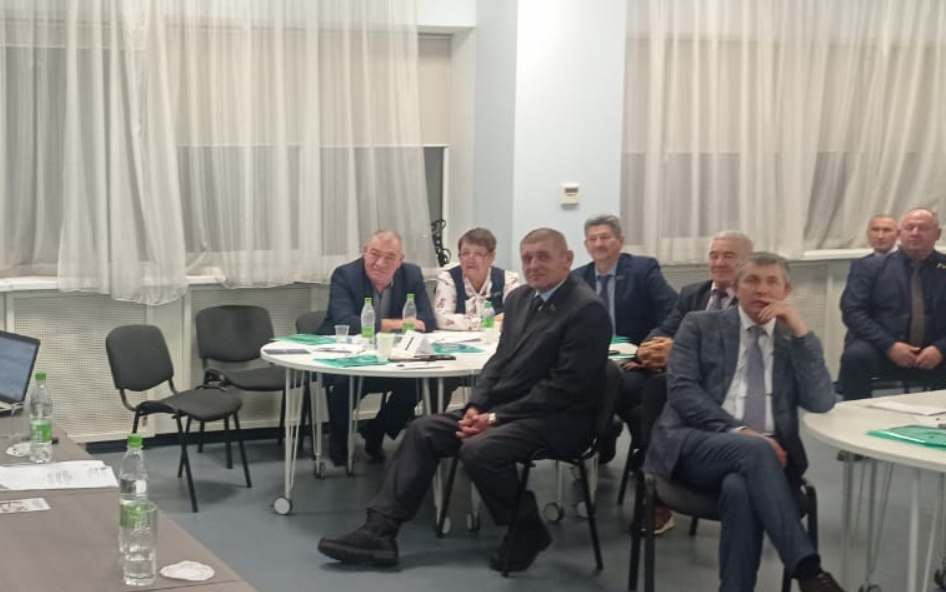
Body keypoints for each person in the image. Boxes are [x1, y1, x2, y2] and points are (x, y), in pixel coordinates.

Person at [317, 228, 611, 573]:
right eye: (527, 258)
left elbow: (563, 389)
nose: (533, 265)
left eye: (543, 257)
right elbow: (499, 361)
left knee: (479, 449)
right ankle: (379, 531)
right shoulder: (520, 300)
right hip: (508, 412)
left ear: (567, 259)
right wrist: (476, 406)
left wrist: (495, 418)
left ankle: (527, 529)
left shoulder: (586, 310)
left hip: (559, 419)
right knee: (423, 430)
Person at [647, 253, 879, 592]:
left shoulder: (792, 340)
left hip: (764, 466)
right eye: (752, 280)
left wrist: (803, 332)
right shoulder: (700, 325)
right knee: (755, 451)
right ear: (735, 288)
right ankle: (812, 579)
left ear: (786, 291)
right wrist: (740, 433)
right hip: (695, 445)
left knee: (740, 488)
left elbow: (821, 400)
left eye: (772, 281)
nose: (762, 289)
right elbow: (683, 393)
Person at [630, 230, 753, 534]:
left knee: (659, 392)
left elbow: (742, 349)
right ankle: (646, 474)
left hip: (726, 385)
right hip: (682, 379)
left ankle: (656, 491)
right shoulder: (692, 294)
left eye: (728, 256)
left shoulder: (752, 298)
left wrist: (680, 352)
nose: (719, 262)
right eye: (714, 255)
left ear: (747, 261)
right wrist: (647, 349)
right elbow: (666, 328)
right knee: (636, 389)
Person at [322, 230, 436, 465]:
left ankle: (376, 430)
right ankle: (339, 441)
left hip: (393, 358)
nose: (380, 263)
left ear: (400, 261)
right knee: (343, 387)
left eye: (389, 257)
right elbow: (346, 322)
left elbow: (427, 320)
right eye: (374, 254)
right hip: (352, 357)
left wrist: (394, 328)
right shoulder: (345, 275)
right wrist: (396, 324)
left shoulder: (412, 275)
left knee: (420, 383)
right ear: (364, 252)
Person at [573, 214, 678, 462]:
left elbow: (674, 310)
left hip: (635, 360)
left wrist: (645, 349)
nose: (599, 244)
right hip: (595, 360)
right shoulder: (578, 278)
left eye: (605, 237)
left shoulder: (643, 269)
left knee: (623, 388)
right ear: (586, 245)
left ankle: (616, 437)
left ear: (620, 241)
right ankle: (607, 430)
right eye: (593, 239)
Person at [837, 207, 946, 401]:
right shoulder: (870, 267)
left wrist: (940, 348)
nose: (915, 233)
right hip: (884, 348)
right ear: (900, 234)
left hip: (936, 350)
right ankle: (855, 414)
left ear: (937, 234)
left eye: (923, 228)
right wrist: (890, 345)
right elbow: (853, 311)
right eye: (910, 228)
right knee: (855, 356)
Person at [432, 227, 523, 331]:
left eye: (478, 254)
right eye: (465, 253)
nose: (470, 258)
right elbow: (441, 318)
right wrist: (487, 322)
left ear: (491, 257)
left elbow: (518, 315)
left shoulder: (508, 279)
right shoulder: (448, 279)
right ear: (459, 257)